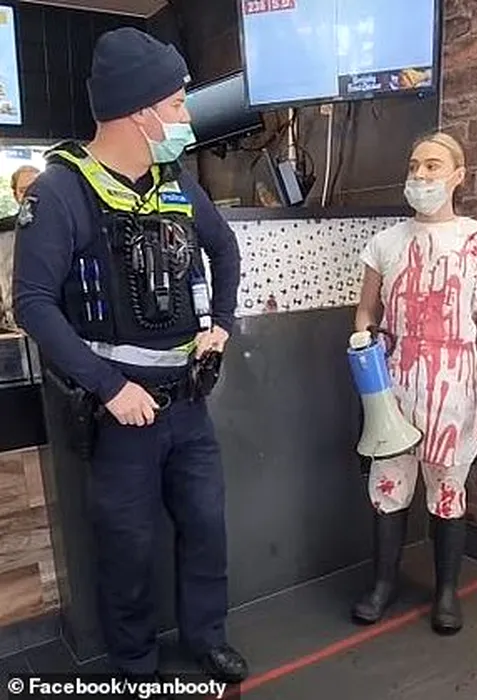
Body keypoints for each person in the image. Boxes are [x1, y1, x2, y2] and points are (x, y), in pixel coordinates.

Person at [12, 28, 249, 684]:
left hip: (189, 405)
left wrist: (221, 324)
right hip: (120, 414)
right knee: (128, 548)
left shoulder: (177, 184)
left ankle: (207, 640)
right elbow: (33, 304)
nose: (184, 116)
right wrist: (110, 388)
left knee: (205, 529)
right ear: (139, 112)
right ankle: (135, 665)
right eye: (175, 104)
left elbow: (224, 249)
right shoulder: (60, 193)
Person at [352, 132, 477, 635]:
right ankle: (383, 584)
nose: (420, 175)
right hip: (394, 386)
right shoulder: (385, 243)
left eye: (433, 166)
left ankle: (446, 592)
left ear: (458, 175)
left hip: (454, 385)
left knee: (447, 490)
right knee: (388, 486)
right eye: (414, 165)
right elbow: (366, 310)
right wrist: (364, 342)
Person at [0, 165, 40, 329]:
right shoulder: (3, 234)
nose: (30, 195)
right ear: (15, 195)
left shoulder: (69, 229)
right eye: (23, 190)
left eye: (35, 189)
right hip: (14, 327)